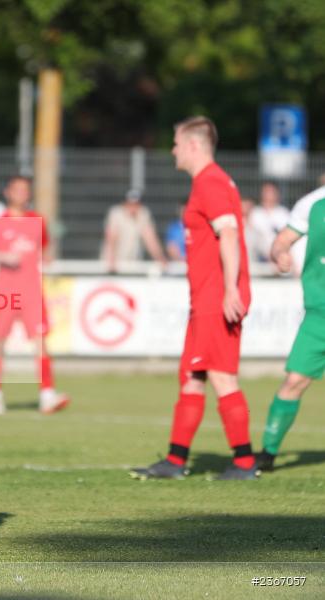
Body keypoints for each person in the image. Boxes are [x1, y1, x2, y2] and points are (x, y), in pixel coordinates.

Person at [131, 116, 255, 481]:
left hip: (216, 297)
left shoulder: (211, 182)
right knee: (191, 375)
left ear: (194, 145)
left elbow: (229, 235)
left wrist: (230, 289)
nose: (172, 150)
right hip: (205, 296)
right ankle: (175, 460)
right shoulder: (209, 182)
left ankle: (245, 463)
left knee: (220, 376)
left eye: (176, 143)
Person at [0, 175, 69, 415]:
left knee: (41, 343)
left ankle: (47, 395)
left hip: (32, 291)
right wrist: (4, 256)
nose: (22, 194)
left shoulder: (36, 221)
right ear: (8, 192)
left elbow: (45, 246)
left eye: (25, 190)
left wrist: (48, 260)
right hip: (7, 292)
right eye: (17, 189)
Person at [256, 179, 325, 471]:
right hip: (319, 313)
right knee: (294, 381)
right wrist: (280, 253)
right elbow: (282, 240)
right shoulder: (312, 203)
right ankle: (268, 454)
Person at [101, 188, 167, 272]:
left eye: (136, 204)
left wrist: (160, 258)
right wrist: (111, 261)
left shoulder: (143, 214)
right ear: (125, 203)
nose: (133, 207)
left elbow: (150, 239)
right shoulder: (116, 213)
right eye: (130, 203)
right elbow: (111, 238)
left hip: (132, 263)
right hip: (113, 264)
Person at [248, 181, 289, 264]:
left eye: (271, 192)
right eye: (266, 192)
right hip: (259, 253)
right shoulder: (255, 213)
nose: (268, 195)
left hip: (279, 251)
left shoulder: (283, 213)